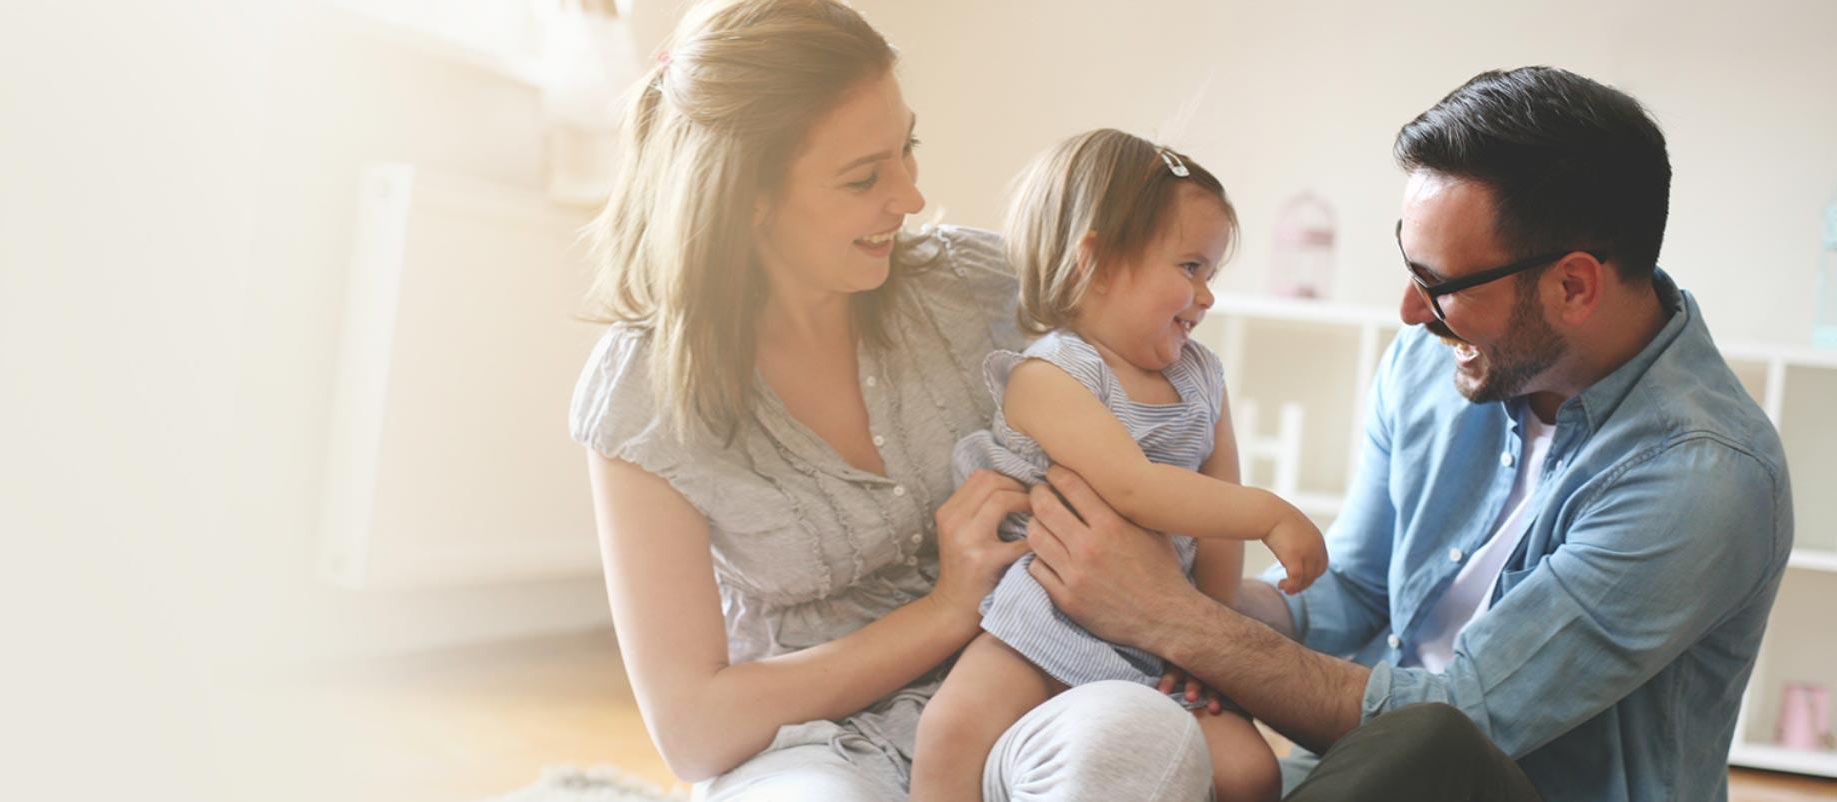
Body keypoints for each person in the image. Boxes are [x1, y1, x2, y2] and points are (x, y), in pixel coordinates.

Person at [1010, 66, 1792, 801]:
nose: (1411, 312)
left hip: (1474, 770)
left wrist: (1168, 617)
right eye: (1408, 264)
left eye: (1441, 284)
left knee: (1428, 744)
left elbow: (1462, 719)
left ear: (1573, 285)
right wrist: (1137, 583)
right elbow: (1351, 596)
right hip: (1372, 768)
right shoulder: (1435, 364)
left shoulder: (1703, 476)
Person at [569, 1, 1212, 799]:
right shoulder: (642, 395)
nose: (910, 197)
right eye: (863, 177)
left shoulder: (981, 289)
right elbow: (696, 732)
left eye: (905, 149)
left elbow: (1181, 382)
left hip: (1033, 689)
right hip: (805, 747)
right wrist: (946, 609)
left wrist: (1192, 607)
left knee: (1137, 742)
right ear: (746, 198)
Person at [908, 129, 1325, 802]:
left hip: (1155, 638)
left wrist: (1208, 642)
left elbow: (1218, 521)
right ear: (1096, 263)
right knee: (950, 731)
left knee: (1252, 771)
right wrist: (1273, 514)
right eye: (1190, 268)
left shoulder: (1202, 381)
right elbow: (1135, 489)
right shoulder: (1050, 374)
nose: (1207, 296)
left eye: (1211, 275)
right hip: (1039, 623)